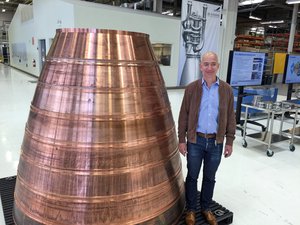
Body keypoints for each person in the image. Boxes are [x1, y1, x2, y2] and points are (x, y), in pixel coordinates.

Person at [178, 51, 236, 225]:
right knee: (192, 176)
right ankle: (190, 210)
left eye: (213, 64)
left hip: (216, 142)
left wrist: (230, 140)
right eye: (206, 64)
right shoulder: (191, 89)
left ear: (218, 66)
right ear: (201, 66)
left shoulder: (226, 90)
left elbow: (231, 117)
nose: (209, 68)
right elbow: (183, 116)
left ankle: (206, 208)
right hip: (196, 141)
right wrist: (182, 139)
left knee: (210, 177)